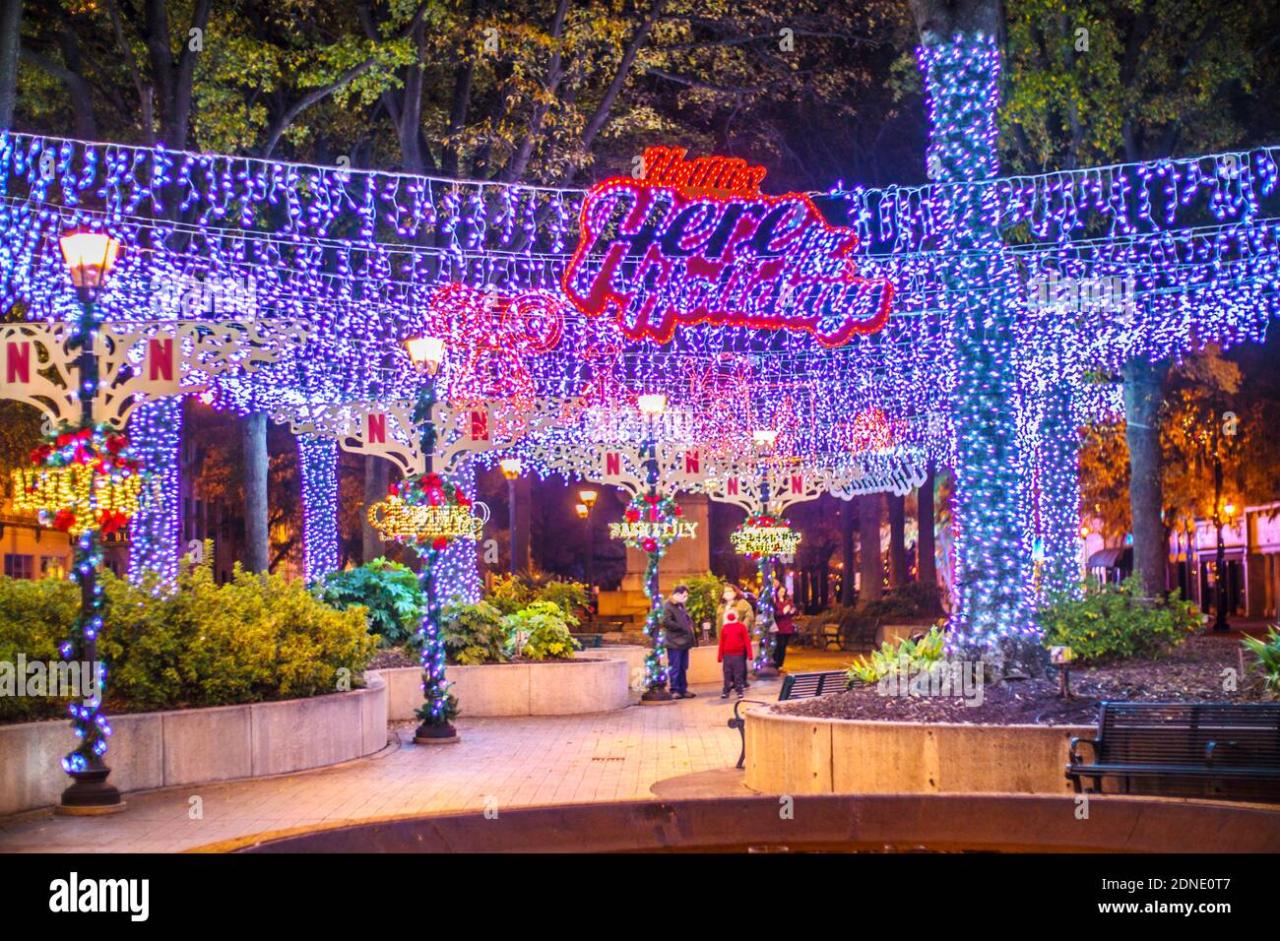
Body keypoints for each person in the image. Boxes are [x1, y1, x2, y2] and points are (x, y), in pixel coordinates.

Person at [660, 585, 697, 699]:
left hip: (684, 642)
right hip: (674, 642)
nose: (686, 598)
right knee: (675, 667)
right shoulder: (668, 605)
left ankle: (683, 689)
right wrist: (680, 627)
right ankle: (674, 690)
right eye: (684, 595)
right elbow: (666, 621)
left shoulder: (681, 606)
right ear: (677, 594)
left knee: (683, 667)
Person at [718, 609, 752, 699]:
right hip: (727, 655)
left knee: (738, 673)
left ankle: (739, 690)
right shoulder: (725, 628)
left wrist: (749, 654)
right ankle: (726, 691)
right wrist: (720, 655)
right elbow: (722, 642)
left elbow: (746, 641)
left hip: (738, 654)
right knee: (727, 673)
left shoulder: (741, 627)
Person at [772, 584, 797, 671]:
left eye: (783, 591)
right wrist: (783, 612)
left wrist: (792, 611)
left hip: (787, 627)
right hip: (779, 627)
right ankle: (776, 663)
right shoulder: (775, 602)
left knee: (784, 646)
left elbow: (793, 609)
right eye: (780, 591)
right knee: (779, 645)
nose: (782, 593)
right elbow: (775, 614)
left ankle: (781, 665)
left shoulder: (788, 600)